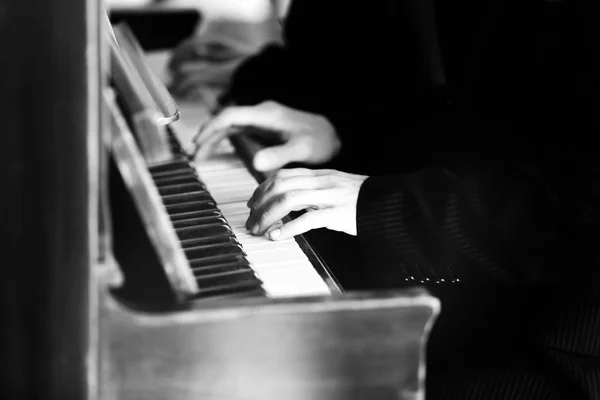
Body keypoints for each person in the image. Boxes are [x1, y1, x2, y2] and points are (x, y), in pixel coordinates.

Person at [193, 0, 600, 399]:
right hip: (486, 274)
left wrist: (377, 206)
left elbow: (577, 202)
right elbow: (486, 124)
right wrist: (341, 134)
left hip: (563, 331)